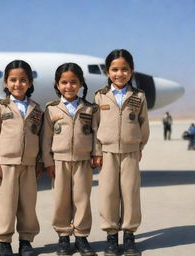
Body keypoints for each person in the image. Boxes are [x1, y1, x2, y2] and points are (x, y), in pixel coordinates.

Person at [94, 49, 150, 256]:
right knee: (108, 194)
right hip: (107, 153)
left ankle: (129, 235)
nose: (120, 73)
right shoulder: (100, 96)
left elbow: (143, 125)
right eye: (115, 69)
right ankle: (111, 236)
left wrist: (139, 146)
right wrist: (97, 151)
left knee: (130, 194)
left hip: (130, 153)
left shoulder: (138, 96)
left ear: (131, 71)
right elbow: (95, 126)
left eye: (124, 69)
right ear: (108, 72)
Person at [42, 63, 101, 256]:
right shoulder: (51, 109)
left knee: (82, 199)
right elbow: (46, 139)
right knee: (61, 200)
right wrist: (48, 162)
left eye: (73, 82)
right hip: (59, 162)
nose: (69, 86)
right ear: (57, 85)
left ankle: (82, 237)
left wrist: (96, 154)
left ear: (81, 84)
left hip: (83, 161)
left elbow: (95, 133)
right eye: (64, 82)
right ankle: (63, 238)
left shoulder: (90, 108)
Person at [0, 60, 43, 256]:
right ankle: (4, 242)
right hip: (7, 165)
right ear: (5, 83)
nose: (17, 84)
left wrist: (40, 162)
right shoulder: (1, 107)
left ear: (29, 83)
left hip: (29, 165)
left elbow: (41, 136)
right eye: (13, 80)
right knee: (6, 205)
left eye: (23, 80)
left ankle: (26, 241)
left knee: (28, 204)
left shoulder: (36, 109)